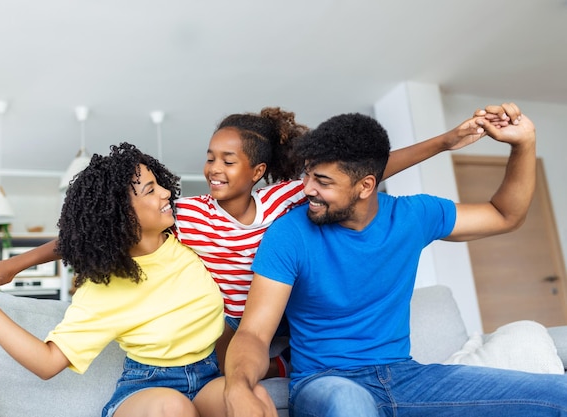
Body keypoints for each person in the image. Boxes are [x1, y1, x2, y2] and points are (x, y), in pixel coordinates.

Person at [0, 106, 492, 377]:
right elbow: (101, 228)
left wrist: (448, 141)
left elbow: (365, 169)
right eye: (210, 158)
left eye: (228, 161)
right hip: (228, 326)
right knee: (228, 336)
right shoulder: (186, 214)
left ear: (258, 171)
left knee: (293, 310)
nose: (212, 168)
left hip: (279, 316)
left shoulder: (287, 200)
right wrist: (14, 264)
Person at [219, 103, 567, 417]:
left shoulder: (413, 216)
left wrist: (524, 144)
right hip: (325, 382)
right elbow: (253, 334)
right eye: (307, 175)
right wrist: (238, 387)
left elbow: (505, 215)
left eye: (322, 181)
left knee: (557, 395)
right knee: (350, 404)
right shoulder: (289, 235)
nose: (307, 189)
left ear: (366, 186)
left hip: (406, 377)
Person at [0, 143, 225, 417]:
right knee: (174, 409)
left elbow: (75, 239)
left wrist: (13, 264)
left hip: (209, 374)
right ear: (124, 216)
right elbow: (47, 362)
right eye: (150, 190)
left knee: (250, 396)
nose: (167, 192)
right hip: (148, 389)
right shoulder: (103, 289)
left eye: (158, 184)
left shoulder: (186, 229)